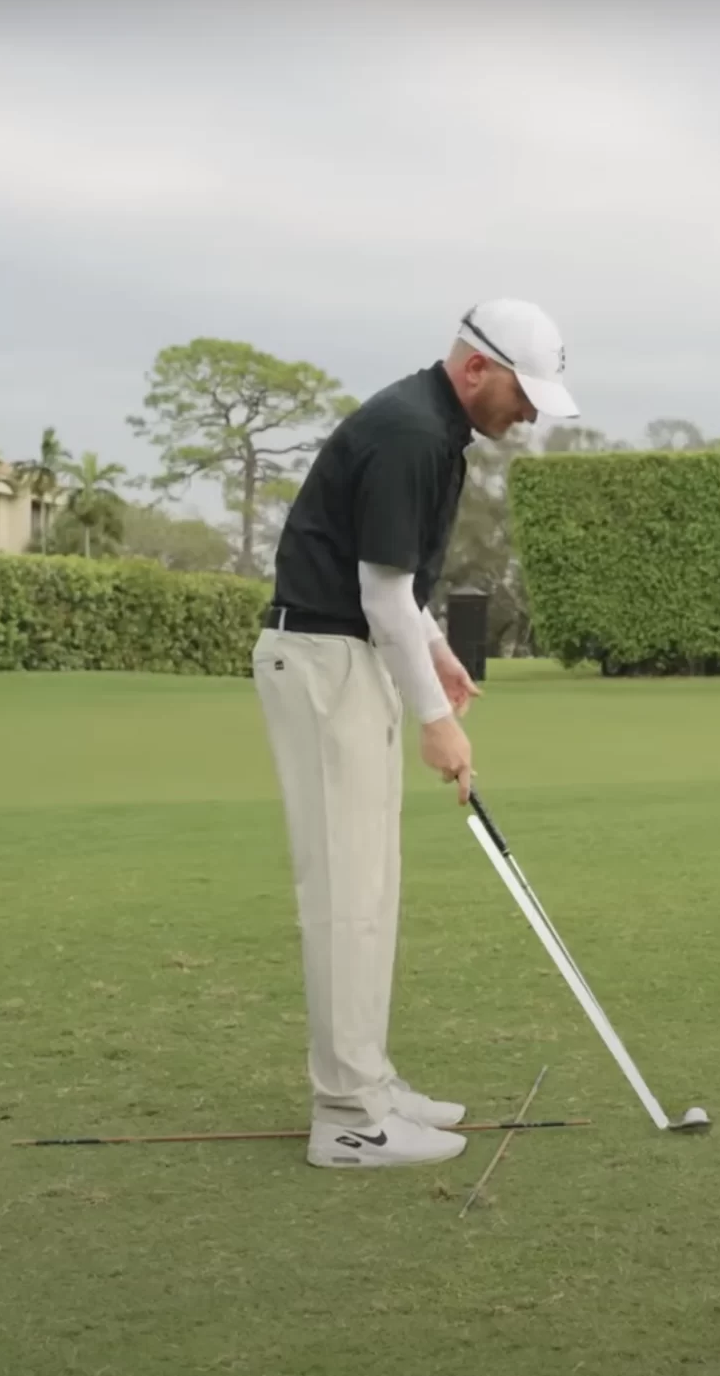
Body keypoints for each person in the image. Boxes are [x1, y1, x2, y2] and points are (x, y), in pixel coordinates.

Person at [252, 299, 579, 1166]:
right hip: (324, 660)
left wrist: (435, 654)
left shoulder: (434, 433)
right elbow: (377, 596)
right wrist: (439, 726)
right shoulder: (408, 434)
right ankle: (349, 1118)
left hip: (348, 658)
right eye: (524, 391)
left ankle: (370, 1079)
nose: (533, 412)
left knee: (374, 887)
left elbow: (397, 593)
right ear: (476, 368)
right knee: (345, 898)